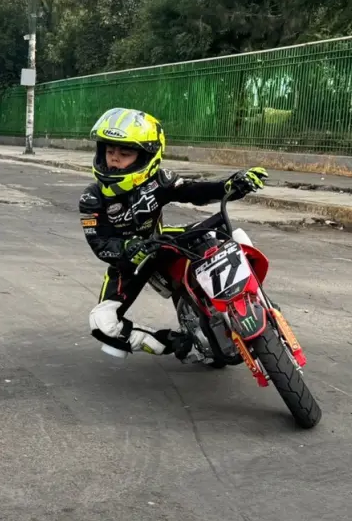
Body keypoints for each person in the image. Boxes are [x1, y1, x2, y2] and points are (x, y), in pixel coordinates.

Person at [79, 107, 268, 361]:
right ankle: (171, 341)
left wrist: (233, 185)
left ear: (147, 156)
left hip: (164, 242)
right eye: (109, 151)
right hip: (129, 261)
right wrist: (127, 248)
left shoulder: (160, 180)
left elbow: (194, 191)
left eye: (124, 153)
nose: (114, 159)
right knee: (103, 325)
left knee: (226, 236)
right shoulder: (91, 197)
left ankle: (258, 301)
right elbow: (100, 244)